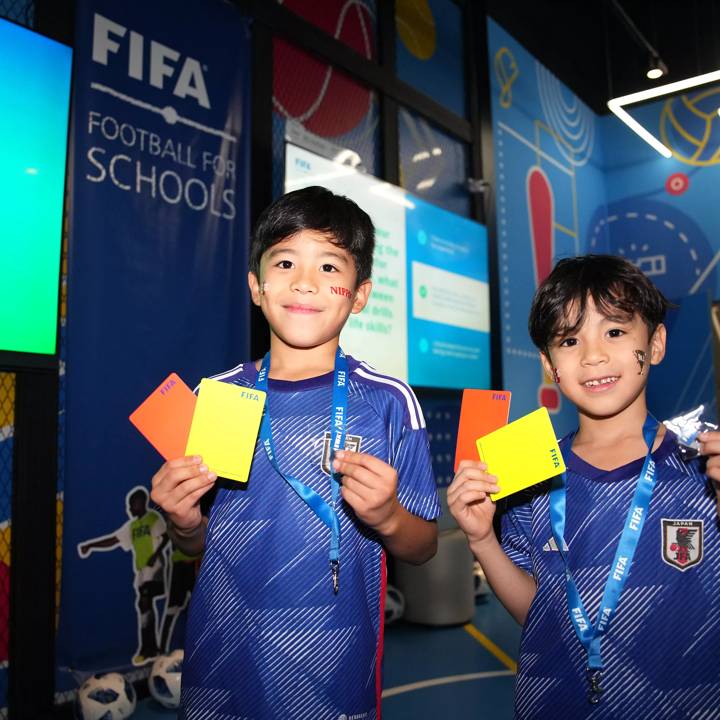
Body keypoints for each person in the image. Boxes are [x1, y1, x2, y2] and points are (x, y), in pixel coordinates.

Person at [151, 185, 440, 719]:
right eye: (285, 261)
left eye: (330, 267)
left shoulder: (388, 402)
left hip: (333, 669)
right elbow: (193, 546)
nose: (305, 281)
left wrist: (388, 516)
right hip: (221, 664)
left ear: (360, 294)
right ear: (256, 287)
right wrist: (182, 519)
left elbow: (422, 547)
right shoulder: (216, 397)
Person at [448, 254, 720, 719]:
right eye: (570, 340)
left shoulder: (704, 462)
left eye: (614, 332)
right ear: (549, 364)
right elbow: (537, 611)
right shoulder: (525, 471)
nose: (592, 356)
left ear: (655, 343)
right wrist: (482, 540)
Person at [78, 486, 169, 666]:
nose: (129, 508)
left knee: (145, 602)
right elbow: (114, 539)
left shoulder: (153, 518)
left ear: (141, 502)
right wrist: (90, 545)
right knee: (145, 606)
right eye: (128, 505)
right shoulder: (133, 526)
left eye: (132, 504)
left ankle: (147, 648)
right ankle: (151, 647)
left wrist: (154, 555)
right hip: (142, 571)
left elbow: (165, 536)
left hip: (155, 568)